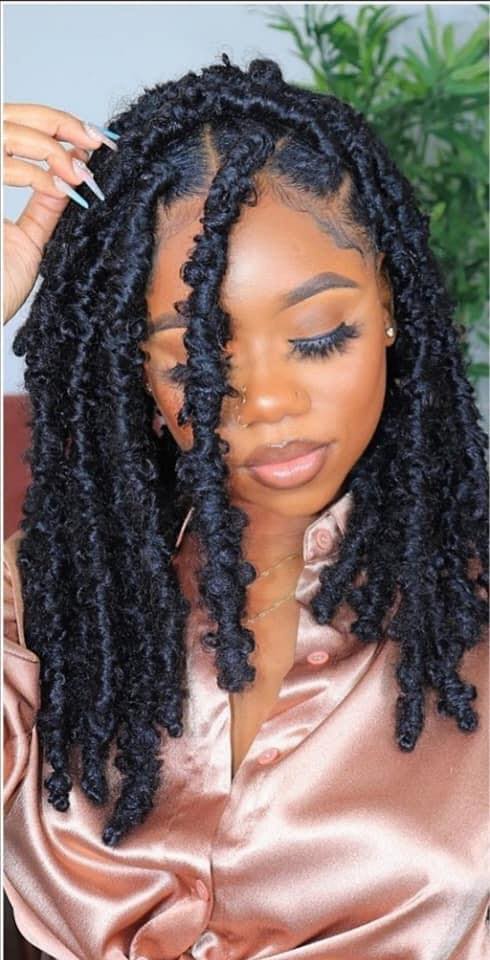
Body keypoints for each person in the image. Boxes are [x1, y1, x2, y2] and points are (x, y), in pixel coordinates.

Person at [3, 55, 488, 960]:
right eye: (196, 362)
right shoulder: (44, 609)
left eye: (319, 336)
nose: (265, 402)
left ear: (389, 306)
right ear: (141, 377)